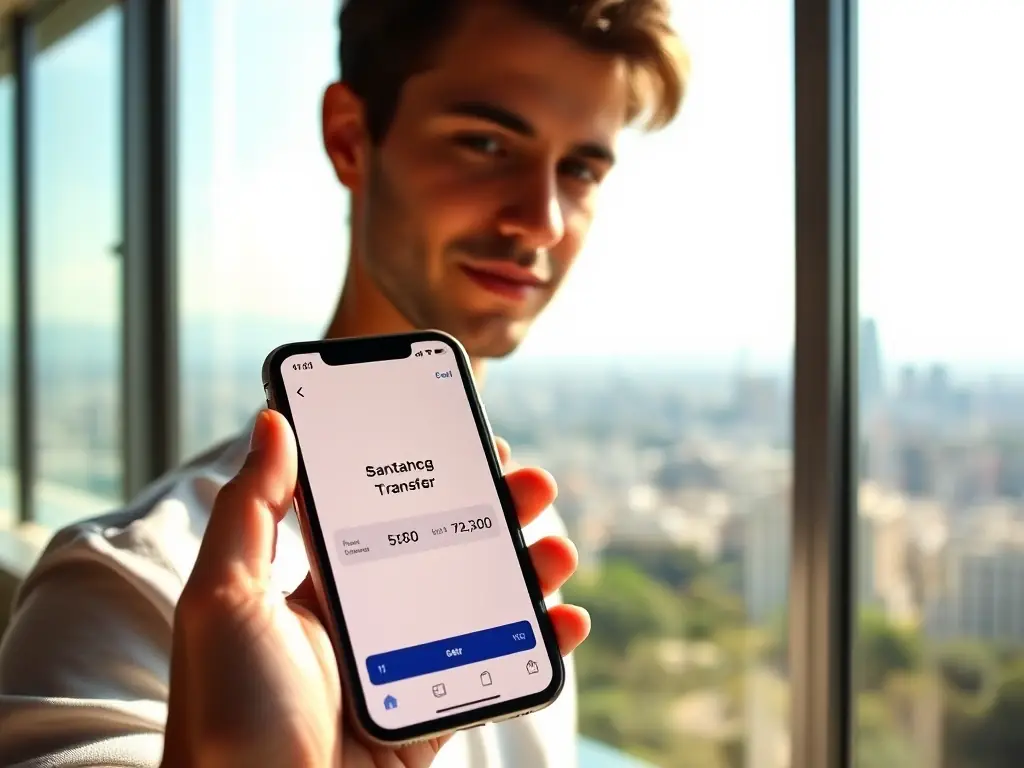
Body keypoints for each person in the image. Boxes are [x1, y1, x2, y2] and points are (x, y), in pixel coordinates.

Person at [0, 0, 688, 765]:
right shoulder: (124, 589)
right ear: (351, 139)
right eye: (487, 142)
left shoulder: (524, 534)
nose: (543, 220)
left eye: (581, 168)